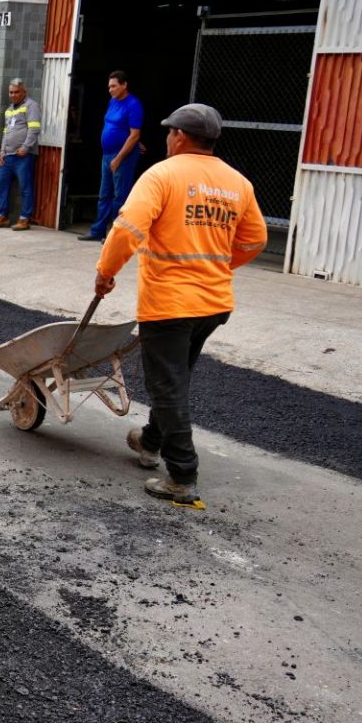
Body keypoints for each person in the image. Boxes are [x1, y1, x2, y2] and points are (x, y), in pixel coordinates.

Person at [93, 104, 267, 504]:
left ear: (180, 137)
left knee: (167, 387)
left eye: (170, 132)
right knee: (174, 379)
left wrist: (105, 272)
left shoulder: (163, 175)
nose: (168, 138)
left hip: (170, 304)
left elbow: (128, 229)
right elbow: (255, 240)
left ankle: (182, 476)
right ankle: (150, 441)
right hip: (214, 303)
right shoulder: (236, 183)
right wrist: (218, 264)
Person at [80, 71, 143, 243]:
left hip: (123, 157)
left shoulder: (133, 105)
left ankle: (115, 233)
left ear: (124, 85)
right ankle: (98, 230)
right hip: (107, 154)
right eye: (109, 86)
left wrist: (119, 158)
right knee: (104, 194)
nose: (110, 89)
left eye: (114, 86)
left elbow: (134, 134)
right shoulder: (112, 102)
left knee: (119, 196)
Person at [0, 79, 42, 231]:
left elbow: (34, 129)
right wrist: (2, 152)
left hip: (24, 156)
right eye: (11, 92)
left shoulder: (31, 106)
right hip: (9, 156)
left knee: (25, 187)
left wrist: (25, 147)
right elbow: (6, 132)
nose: (13, 95)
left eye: (16, 92)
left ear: (24, 92)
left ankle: (24, 218)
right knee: (0, 183)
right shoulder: (9, 110)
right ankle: (2, 216)